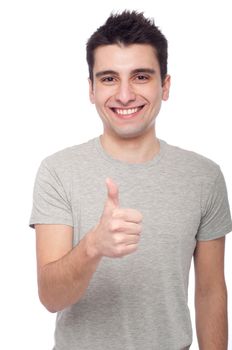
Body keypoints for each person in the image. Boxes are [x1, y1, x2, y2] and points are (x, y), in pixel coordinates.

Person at [29, 10, 232, 350]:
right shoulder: (57, 171)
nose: (124, 95)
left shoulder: (204, 177)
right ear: (91, 89)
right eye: (109, 79)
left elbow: (211, 292)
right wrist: (93, 246)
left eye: (140, 77)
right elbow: (51, 297)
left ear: (165, 86)